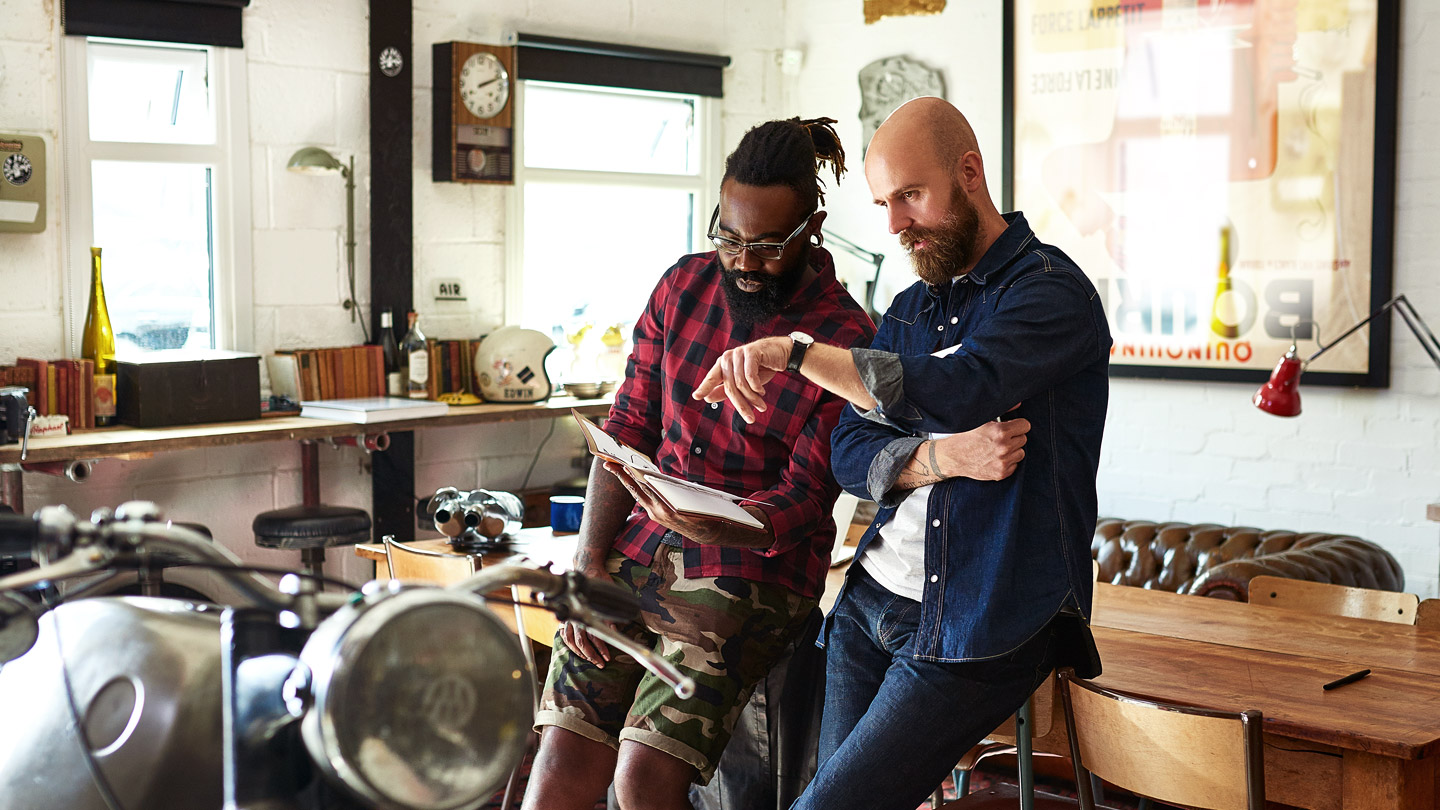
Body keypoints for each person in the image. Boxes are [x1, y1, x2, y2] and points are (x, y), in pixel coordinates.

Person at [692, 96, 1111, 810]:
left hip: (983, 620)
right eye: (885, 202)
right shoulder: (913, 309)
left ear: (970, 173)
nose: (894, 225)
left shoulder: (1050, 294)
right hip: (868, 602)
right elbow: (849, 447)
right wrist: (941, 461)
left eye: (910, 196)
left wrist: (795, 353)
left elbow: (955, 389)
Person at [518, 117, 878, 810]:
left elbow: (807, 497)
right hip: (636, 551)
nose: (744, 261)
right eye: (730, 238)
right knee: (560, 759)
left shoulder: (844, 340)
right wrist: (590, 564)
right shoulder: (682, 288)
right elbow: (628, 428)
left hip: (754, 572)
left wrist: (728, 526)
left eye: (769, 246)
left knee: (641, 778)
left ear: (814, 227)